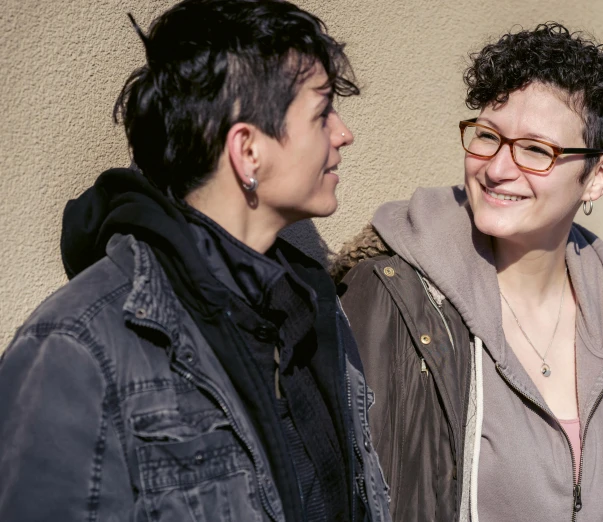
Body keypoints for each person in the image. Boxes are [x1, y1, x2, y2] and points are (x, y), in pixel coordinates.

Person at [0, 1, 390, 521]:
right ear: (247, 151)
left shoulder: (313, 306)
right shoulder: (75, 350)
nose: (344, 134)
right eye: (322, 114)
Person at [334, 23, 603, 522]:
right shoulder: (393, 298)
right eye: (487, 137)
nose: (498, 168)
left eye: (535, 150)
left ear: (599, 176)